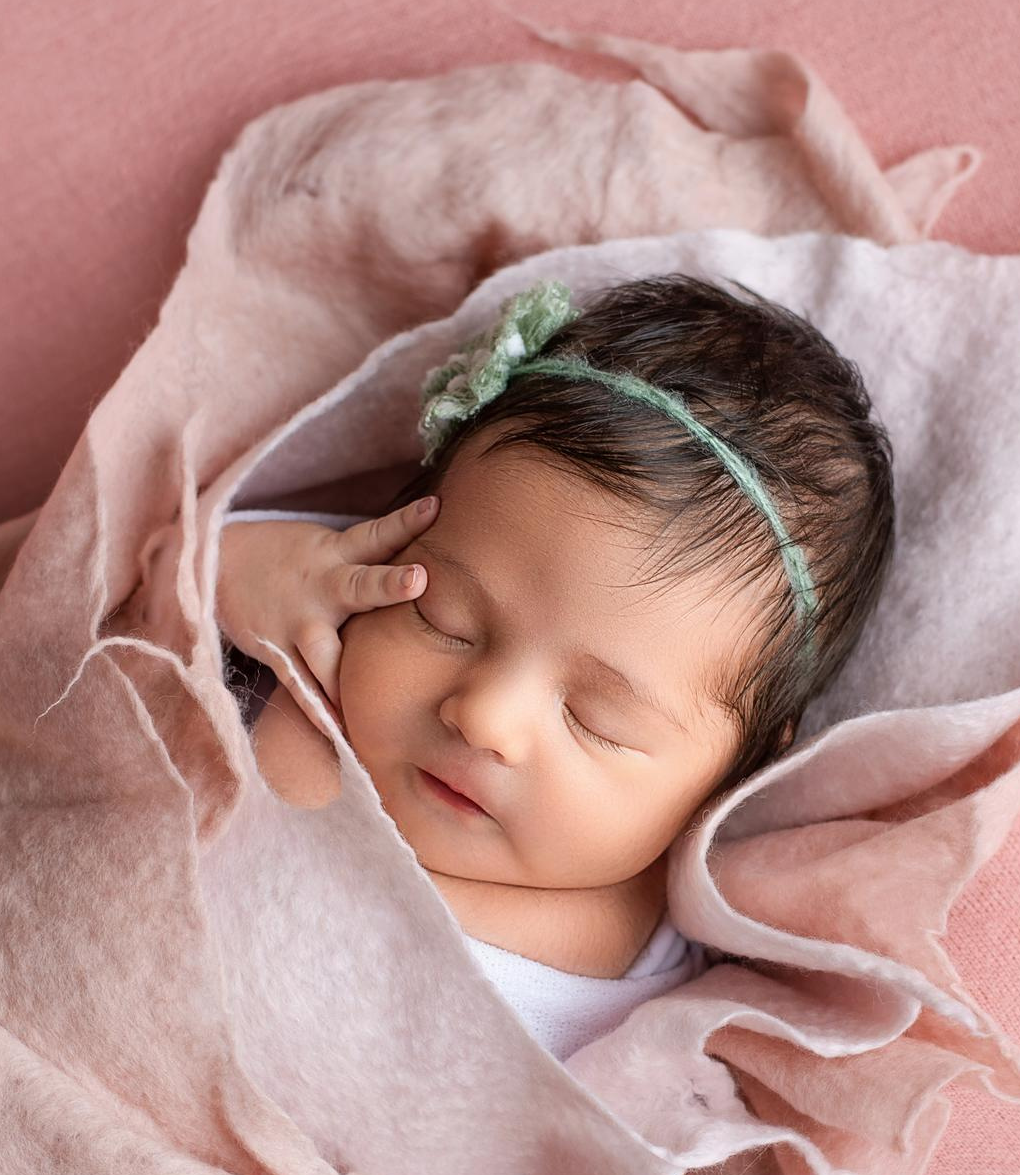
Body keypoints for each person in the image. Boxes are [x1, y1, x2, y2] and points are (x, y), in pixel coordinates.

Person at [217, 272, 896, 1058]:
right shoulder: (302, 648)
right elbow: (104, 579)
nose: (486, 717)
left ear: (734, 775)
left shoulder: (643, 996)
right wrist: (238, 565)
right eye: (444, 620)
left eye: (595, 722)